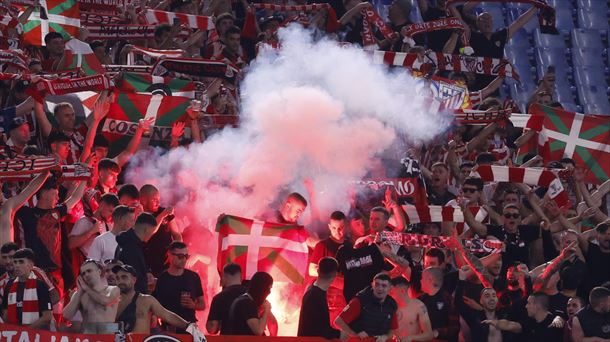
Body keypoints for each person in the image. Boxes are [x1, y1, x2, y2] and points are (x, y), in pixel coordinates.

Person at [15, 177, 86, 293]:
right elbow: (10, 202)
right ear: (44, 193)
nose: (58, 198)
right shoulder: (27, 214)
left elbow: (75, 198)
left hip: (56, 273)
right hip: (35, 272)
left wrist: (84, 179)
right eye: (56, 194)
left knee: (57, 307)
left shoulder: (57, 212)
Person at [113, 264, 196, 334]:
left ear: (134, 280)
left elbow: (167, 315)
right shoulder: (111, 302)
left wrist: (188, 326)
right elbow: (104, 327)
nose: (120, 281)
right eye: (117, 278)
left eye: (124, 277)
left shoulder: (146, 300)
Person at [153, 242, 205, 333]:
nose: (184, 260)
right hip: (168, 328)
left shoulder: (193, 277)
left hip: (189, 327)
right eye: (180, 256)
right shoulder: (162, 278)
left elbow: (202, 305)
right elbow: (155, 307)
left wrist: (193, 305)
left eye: (186, 256)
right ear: (170, 255)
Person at [335, 272, 397, 341]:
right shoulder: (360, 301)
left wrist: (385, 337)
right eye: (377, 284)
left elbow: (392, 330)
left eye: (384, 286)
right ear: (372, 285)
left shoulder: (391, 305)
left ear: (390, 288)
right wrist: (355, 335)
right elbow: (338, 321)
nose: (380, 288)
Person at [63, 259, 120, 333]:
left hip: (107, 336)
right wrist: (79, 292)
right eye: (83, 273)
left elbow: (105, 301)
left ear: (99, 272)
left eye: (89, 271)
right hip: (88, 337)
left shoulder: (112, 289)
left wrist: (86, 288)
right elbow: (66, 315)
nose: (86, 275)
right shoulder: (80, 294)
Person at [1, 248, 52, 329]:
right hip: (15, 334)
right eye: (15, 262)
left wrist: (26, 331)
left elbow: (47, 316)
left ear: (31, 265)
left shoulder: (40, 285)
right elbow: (5, 313)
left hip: (36, 335)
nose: (17, 265)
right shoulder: (9, 284)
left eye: (21, 262)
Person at [483, 292, 563, 342]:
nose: (526, 306)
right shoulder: (529, 321)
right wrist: (494, 322)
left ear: (537, 306)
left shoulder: (555, 324)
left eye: (529, 303)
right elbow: (510, 325)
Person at [139, 184, 181, 277]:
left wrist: (176, 253)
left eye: (159, 199)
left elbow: (177, 235)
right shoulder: (140, 216)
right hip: (148, 263)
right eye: (154, 200)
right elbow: (149, 232)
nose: (158, 203)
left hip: (167, 261)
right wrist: (163, 214)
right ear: (144, 200)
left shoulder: (164, 211)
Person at [115, 212, 160, 294]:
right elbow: (135, 279)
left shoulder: (127, 242)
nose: (151, 235)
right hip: (133, 300)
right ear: (146, 230)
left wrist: (147, 272)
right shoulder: (131, 248)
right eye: (152, 231)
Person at [298, 257, 341, 338]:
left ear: (317, 271)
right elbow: (319, 330)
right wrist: (339, 335)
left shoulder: (314, 291)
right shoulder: (314, 296)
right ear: (335, 274)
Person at [69, 193, 118, 259]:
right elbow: (70, 244)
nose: (111, 216)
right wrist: (91, 231)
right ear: (102, 205)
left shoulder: (108, 226)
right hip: (84, 264)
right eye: (110, 211)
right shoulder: (84, 221)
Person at [418, 267, 459, 342]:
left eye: (422, 278)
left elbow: (455, 327)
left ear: (430, 280)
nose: (420, 281)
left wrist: (437, 332)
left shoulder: (447, 299)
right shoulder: (420, 300)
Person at [225, 271, 273, 336]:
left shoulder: (244, 300)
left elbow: (273, 324)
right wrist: (266, 310)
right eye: (269, 288)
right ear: (262, 288)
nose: (269, 292)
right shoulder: (247, 303)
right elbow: (258, 331)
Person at [206, 263, 247, 335]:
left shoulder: (219, 298)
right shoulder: (251, 295)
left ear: (223, 277)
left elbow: (212, 328)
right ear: (241, 277)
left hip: (227, 338)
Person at [390, 276, 433, 342]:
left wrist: (411, 338)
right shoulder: (388, 306)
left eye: (391, 292)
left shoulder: (419, 306)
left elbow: (429, 335)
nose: (389, 295)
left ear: (402, 291)